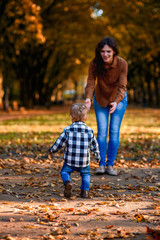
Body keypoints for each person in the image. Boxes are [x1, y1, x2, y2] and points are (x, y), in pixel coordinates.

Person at [85, 37, 128, 176]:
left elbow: (122, 86)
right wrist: (88, 98)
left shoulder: (122, 64)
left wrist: (116, 101)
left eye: (108, 51)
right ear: (99, 52)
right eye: (103, 51)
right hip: (101, 99)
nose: (105, 54)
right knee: (102, 132)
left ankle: (110, 165)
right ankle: (101, 165)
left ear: (114, 51)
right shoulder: (94, 63)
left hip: (118, 99)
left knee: (114, 131)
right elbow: (91, 82)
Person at [49, 103, 100, 198]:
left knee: (64, 172)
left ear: (71, 117)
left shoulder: (68, 130)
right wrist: (97, 156)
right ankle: (84, 191)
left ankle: (68, 182)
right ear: (86, 117)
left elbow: (59, 143)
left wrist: (52, 150)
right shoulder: (90, 131)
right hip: (84, 162)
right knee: (86, 174)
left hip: (70, 161)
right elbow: (94, 145)